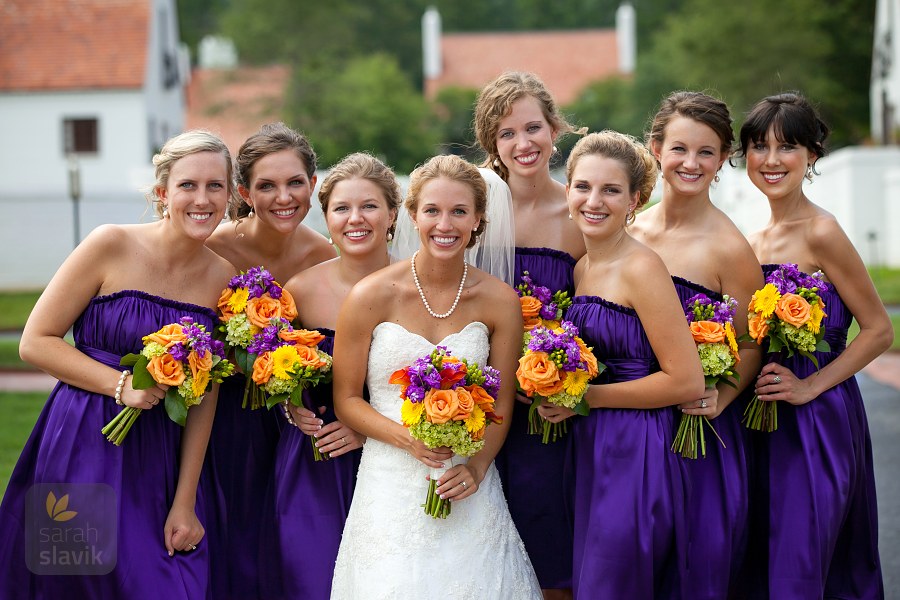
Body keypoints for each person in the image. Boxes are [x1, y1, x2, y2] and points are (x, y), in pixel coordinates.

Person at [0, 130, 237, 599]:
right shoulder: (109, 244)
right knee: (76, 580)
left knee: (167, 584)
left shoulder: (223, 279)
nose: (202, 198)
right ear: (161, 193)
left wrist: (185, 499)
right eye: (188, 185)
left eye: (216, 186)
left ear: (230, 196)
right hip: (85, 440)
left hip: (162, 459)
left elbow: (206, 395)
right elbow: (36, 341)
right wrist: (120, 385)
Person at [330, 154, 541, 599]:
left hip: (465, 480)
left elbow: (500, 405)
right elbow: (347, 399)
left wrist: (478, 468)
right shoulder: (370, 295)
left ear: (479, 220)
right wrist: (408, 438)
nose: (445, 225)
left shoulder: (500, 301)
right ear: (411, 215)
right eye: (432, 211)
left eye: (459, 211)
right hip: (388, 478)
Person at [539, 131, 706, 597]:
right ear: (568, 190)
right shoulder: (582, 269)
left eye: (611, 190)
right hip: (589, 443)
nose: (594, 201)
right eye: (583, 187)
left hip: (636, 445)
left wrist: (585, 398)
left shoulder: (642, 268)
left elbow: (687, 379)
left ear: (635, 199)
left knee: (617, 581)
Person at [738, 92, 889, 599]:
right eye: (759, 147)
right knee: (762, 553)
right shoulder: (751, 242)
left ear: (812, 156)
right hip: (758, 417)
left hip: (816, 419)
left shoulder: (822, 232)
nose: (772, 161)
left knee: (803, 558)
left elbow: (877, 330)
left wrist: (810, 386)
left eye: (788, 147)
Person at [629, 91, 764, 599]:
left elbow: (750, 345)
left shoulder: (730, 249)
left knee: (696, 569)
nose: (692, 163)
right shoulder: (629, 228)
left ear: (724, 158)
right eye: (680, 148)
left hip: (697, 436)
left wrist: (723, 396)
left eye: (707, 152)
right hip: (629, 429)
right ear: (656, 148)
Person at [203, 122, 335, 599]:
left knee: (286, 550)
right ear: (244, 191)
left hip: (294, 424)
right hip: (219, 420)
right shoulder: (214, 247)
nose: (284, 196)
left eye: (295, 182)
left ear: (313, 185)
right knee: (226, 540)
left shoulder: (325, 257)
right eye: (267, 185)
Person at [264, 152, 398, 599]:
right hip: (313, 463)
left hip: (392, 462)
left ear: (393, 213)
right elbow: (276, 370)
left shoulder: (416, 289)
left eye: (370, 206)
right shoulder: (298, 290)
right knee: (309, 579)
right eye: (341, 208)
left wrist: (370, 434)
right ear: (327, 217)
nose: (355, 219)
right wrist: (288, 405)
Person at [473, 71, 585, 597]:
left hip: (554, 408)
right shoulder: (473, 213)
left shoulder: (583, 210)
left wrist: (566, 377)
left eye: (532, 127)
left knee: (553, 549)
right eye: (507, 134)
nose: (523, 144)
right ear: (491, 144)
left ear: (554, 127)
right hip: (482, 401)